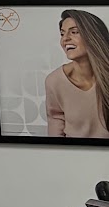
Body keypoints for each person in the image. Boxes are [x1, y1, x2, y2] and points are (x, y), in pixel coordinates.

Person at [45, 8, 109, 140]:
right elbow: (55, 124)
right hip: (74, 152)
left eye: (74, 32)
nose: (65, 39)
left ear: (93, 36)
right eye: (62, 34)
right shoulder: (54, 81)